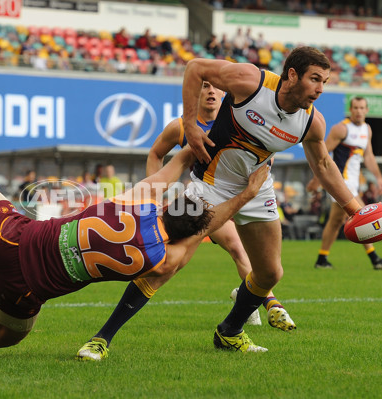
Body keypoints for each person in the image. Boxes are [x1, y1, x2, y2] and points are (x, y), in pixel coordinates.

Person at [0, 124, 269, 359]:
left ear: (166, 203)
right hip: (24, 291)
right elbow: (204, 228)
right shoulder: (159, 259)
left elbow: (173, 170)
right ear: (194, 234)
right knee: (4, 336)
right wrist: (246, 194)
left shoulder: (134, 203)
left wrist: (196, 143)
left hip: (11, 237)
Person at [76, 81, 295, 361]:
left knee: (261, 264)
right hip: (202, 197)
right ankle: (101, 339)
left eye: (218, 88)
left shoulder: (248, 119)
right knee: (169, 264)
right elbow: (156, 153)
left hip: (251, 197)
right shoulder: (182, 126)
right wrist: (157, 192)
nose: (212, 92)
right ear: (197, 93)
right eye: (205, 86)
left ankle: (249, 314)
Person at [179, 46, 368, 352]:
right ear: (292, 75)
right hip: (209, 185)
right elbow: (195, 67)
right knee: (166, 263)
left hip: (256, 189)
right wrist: (189, 125)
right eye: (315, 79)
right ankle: (101, 338)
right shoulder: (249, 81)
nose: (320, 90)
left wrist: (355, 210)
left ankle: (229, 331)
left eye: (325, 82)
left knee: (270, 272)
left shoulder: (311, 122)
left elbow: (322, 165)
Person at [307, 97, 382, 270]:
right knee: (363, 215)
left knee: (335, 221)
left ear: (367, 110)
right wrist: (318, 179)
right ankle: (375, 259)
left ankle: (322, 259)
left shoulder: (367, 129)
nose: (358, 111)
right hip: (340, 182)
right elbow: (322, 153)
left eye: (362, 108)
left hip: (353, 182)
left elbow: (368, 156)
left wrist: (379, 178)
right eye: (355, 108)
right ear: (350, 110)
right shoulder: (341, 129)